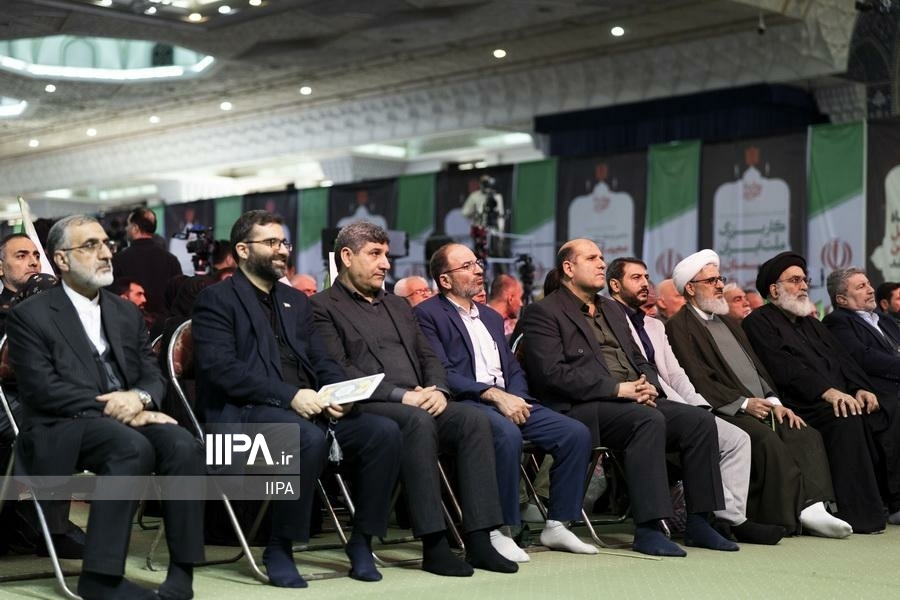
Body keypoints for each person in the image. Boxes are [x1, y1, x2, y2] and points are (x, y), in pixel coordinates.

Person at [192, 211, 402, 587]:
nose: (281, 250)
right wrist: (291, 396)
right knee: (304, 437)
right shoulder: (215, 299)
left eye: (283, 242)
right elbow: (221, 370)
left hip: (309, 412)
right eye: (271, 242)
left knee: (383, 432)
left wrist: (339, 394)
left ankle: (362, 541)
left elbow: (322, 361)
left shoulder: (295, 301)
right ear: (242, 250)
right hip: (238, 421)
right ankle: (280, 547)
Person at [6, 215, 205, 600]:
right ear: (61, 259)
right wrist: (118, 405)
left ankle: (182, 570)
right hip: (61, 423)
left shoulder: (124, 311)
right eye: (90, 245)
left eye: (106, 244)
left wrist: (140, 399)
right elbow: (42, 389)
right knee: (130, 446)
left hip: (129, 416)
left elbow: (151, 373)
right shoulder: (29, 315)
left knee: (183, 444)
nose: (105, 253)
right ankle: (100, 577)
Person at [311, 221, 517, 576]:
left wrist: (438, 389)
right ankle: (434, 544)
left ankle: (480, 540)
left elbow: (428, 356)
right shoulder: (321, 306)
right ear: (346, 256)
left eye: (386, 255)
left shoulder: (398, 305)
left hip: (420, 398)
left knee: (473, 421)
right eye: (375, 254)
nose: (385, 264)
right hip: (366, 405)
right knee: (417, 422)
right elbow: (339, 369)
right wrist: (401, 395)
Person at [520, 238, 734, 557]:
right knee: (647, 420)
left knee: (700, 422)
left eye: (601, 257)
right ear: (568, 268)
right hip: (582, 407)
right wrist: (617, 389)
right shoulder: (543, 312)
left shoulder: (610, 309)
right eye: (592, 258)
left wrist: (648, 384)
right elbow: (551, 375)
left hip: (632, 398)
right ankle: (648, 528)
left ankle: (700, 522)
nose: (601, 263)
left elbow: (638, 358)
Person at [415, 243, 597, 559]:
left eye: (477, 263)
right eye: (467, 266)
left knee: (575, 433)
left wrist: (517, 397)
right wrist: (494, 395)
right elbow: (441, 371)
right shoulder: (427, 314)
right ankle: (501, 528)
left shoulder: (490, 316)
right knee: (507, 434)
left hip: (507, 398)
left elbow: (511, 366)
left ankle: (557, 524)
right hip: (467, 402)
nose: (478, 270)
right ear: (445, 280)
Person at [664, 250, 851, 538]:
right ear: (690, 288)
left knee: (803, 432)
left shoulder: (727, 321)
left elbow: (757, 368)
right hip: (726, 408)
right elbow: (698, 378)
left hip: (760, 403)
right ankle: (784, 516)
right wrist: (743, 404)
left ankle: (815, 505)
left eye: (720, 279)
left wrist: (775, 401)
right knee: (765, 439)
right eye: (711, 281)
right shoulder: (679, 326)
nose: (719, 285)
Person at [606, 257, 783, 545]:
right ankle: (707, 522)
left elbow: (676, 374)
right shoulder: (610, 320)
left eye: (646, 277)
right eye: (636, 278)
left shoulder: (654, 325)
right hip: (644, 402)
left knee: (737, 439)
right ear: (615, 285)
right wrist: (689, 409)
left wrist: (698, 405)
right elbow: (649, 377)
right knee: (703, 426)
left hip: (676, 404)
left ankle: (730, 519)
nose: (645, 284)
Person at [742, 251, 900, 533]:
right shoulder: (759, 322)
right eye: (795, 280)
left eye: (805, 280)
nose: (804, 286)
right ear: (774, 290)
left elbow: (844, 360)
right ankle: (855, 514)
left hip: (836, 397)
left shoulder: (811, 323)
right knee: (845, 418)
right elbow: (783, 367)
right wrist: (826, 391)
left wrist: (859, 388)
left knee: (878, 411)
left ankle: (886, 504)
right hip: (800, 402)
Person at [823, 268, 900, 402]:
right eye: (861, 287)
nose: (871, 290)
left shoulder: (885, 320)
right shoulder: (836, 321)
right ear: (842, 300)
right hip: (883, 395)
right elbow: (862, 356)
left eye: (869, 284)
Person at [111, 207, 182, 322]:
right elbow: (178, 297)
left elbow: (112, 300)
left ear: (135, 228)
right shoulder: (171, 260)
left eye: (128, 225)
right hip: (164, 325)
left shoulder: (118, 260)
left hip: (131, 323)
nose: (126, 228)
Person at [486, 273, 523, 339]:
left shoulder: (513, 326)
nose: (521, 304)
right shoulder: (479, 321)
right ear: (511, 299)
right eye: (520, 298)